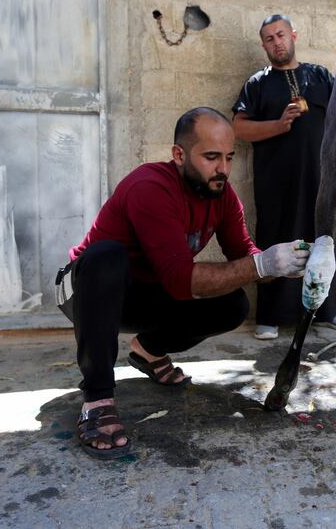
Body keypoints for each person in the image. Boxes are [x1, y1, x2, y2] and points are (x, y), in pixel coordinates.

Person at [55, 107, 311, 459]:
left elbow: (244, 254)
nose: (223, 168)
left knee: (232, 304)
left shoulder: (221, 193)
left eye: (229, 157)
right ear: (178, 155)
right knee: (105, 257)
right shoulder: (150, 187)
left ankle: (148, 350)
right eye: (211, 157)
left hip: (145, 293)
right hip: (84, 290)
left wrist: (288, 263)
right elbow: (180, 281)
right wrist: (261, 264)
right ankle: (97, 399)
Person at [232, 14, 336, 340]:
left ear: (293, 35)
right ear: (264, 45)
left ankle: (327, 311)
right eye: (270, 38)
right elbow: (238, 127)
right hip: (276, 183)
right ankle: (270, 316)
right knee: (275, 240)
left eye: (281, 35)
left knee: (324, 239)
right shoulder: (258, 83)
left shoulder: (320, 76)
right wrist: (279, 125)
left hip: (322, 177)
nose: (277, 42)